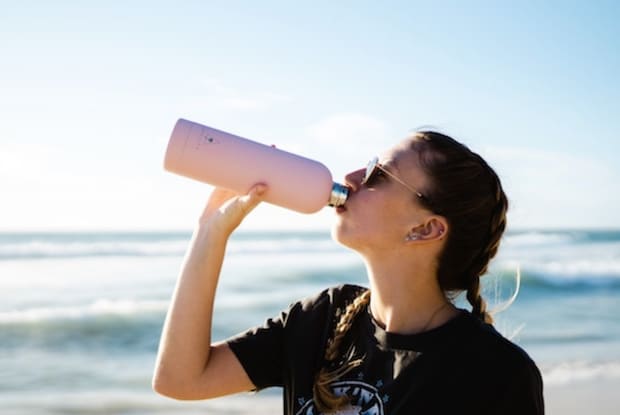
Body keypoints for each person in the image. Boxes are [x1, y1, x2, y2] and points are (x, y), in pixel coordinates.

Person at [153, 131, 545, 414]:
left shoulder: (496, 375)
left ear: (425, 228)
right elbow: (180, 379)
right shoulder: (320, 319)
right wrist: (211, 230)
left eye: (378, 173)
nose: (353, 177)